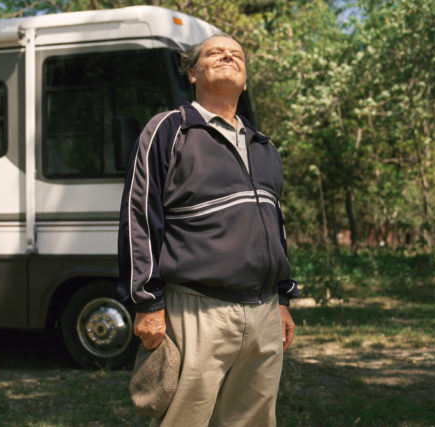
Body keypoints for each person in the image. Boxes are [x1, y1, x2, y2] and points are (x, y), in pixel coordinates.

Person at [117, 33, 299, 426]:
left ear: (245, 80)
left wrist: (283, 299)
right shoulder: (168, 130)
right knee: (185, 420)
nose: (227, 56)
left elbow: (274, 225)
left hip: (264, 312)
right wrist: (147, 302)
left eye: (237, 55)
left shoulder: (263, 145)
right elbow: (140, 216)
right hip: (198, 311)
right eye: (215, 53)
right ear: (193, 74)